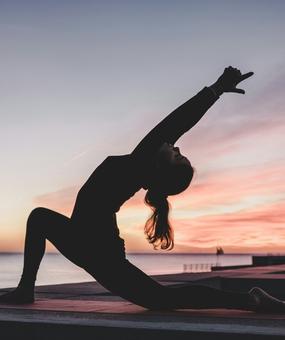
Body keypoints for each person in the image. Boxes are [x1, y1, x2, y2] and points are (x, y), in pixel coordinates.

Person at [1, 66, 284, 313]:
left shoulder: (140, 164)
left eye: (177, 155)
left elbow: (177, 122)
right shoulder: (139, 167)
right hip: (86, 241)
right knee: (39, 218)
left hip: (97, 248)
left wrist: (217, 89)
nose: (176, 147)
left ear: (159, 169)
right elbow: (174, 129)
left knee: (161, 299)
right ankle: (26, 290)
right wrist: (217, 90)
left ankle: (250, 300)